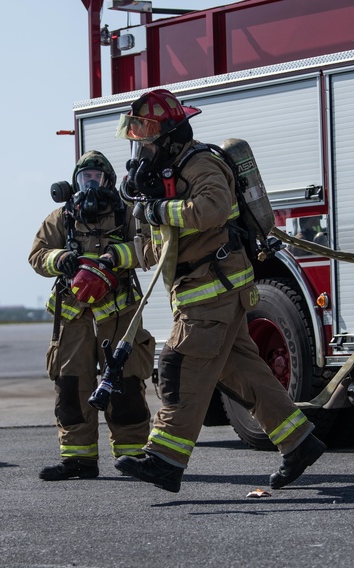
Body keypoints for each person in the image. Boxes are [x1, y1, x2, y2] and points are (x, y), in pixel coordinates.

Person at [112, 88, 326, 493]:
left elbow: (210, 210)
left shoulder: (201, 163)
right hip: (204, 288)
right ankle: (299, 442)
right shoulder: (170, 173)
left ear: (171, 133)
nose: (142, 145)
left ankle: (164, 459)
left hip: (212, 289)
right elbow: (165, 245)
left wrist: (159, 209)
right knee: (242, 371)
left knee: (179, 366)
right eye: (137, 136)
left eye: (148, 135)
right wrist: (120, 256)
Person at [28, 151, 155, 481]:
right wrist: (61, 259)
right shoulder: (62, 217)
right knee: (70, 385)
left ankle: (132, 456)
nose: (90, 185)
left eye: (96, 179)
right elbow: (37, 255)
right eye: (84, 179)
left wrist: (118, 254)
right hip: (74, 317)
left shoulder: (127, 214)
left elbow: (152, 248)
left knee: (124, 384)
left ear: (109, 182)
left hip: (119, 313)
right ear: (75, 182)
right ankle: (78, 460)